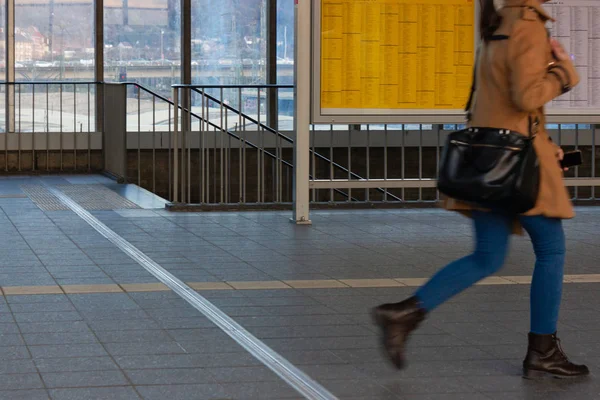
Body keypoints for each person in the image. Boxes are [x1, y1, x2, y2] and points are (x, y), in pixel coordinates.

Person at [372, 0, 589, 379]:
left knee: (487, 257)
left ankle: (405, 313)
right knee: (552, 250)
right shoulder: (529, 25)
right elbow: (525, 97)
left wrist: (544, 141)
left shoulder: (496, 22)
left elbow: (495, 103)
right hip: (517, 169)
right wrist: (564, 73)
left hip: (488, 163)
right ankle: (542, 350)